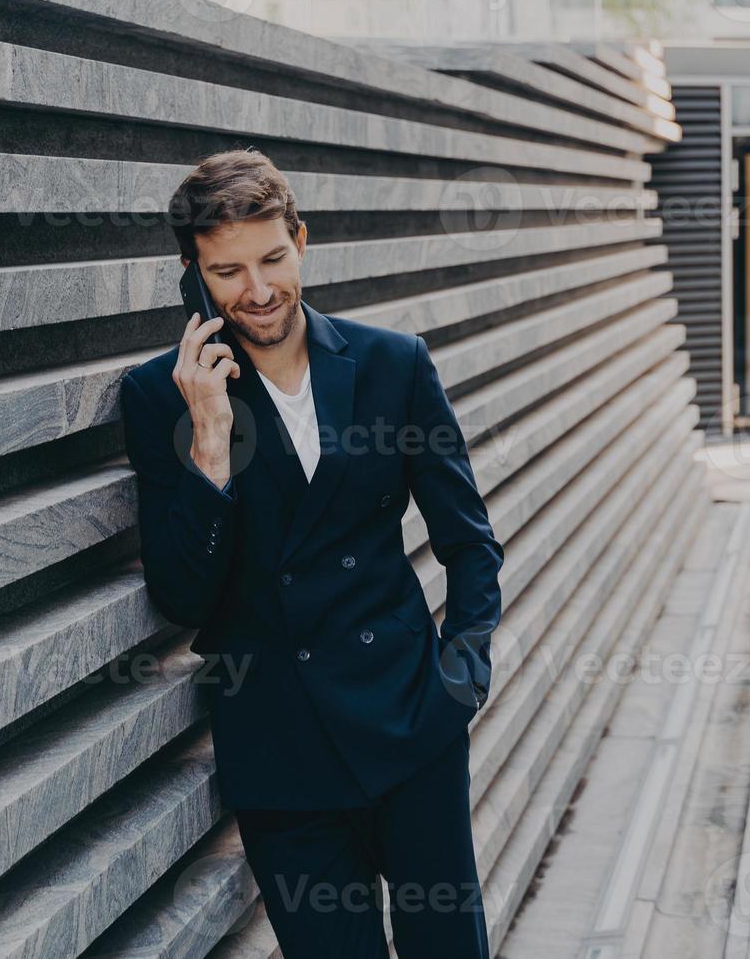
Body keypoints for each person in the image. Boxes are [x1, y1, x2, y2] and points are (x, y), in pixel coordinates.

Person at [118, 148, 503, 957]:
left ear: (302, 240)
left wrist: (461, 676)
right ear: (193, 276)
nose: (257, 291)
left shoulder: (392, 365)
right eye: (226, 272)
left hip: (410, 724)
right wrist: (211, 447)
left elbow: (469, 542)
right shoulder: (165, 395)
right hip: (280, 754)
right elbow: (183, 598)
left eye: (272, 258)